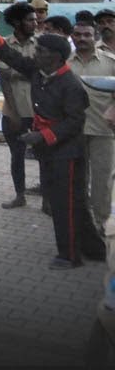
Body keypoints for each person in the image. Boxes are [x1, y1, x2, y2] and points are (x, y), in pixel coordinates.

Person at [0, 31, 107, 269]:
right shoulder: (40, 72)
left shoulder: (70, 85)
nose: (35, 54)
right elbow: (16, 60)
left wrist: (42, 136)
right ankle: (93, 249)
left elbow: (74, 123)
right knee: (73, 203)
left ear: (55, 57)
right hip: (51, 151)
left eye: (40, 51)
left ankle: (69, 256)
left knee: (65, 205)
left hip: (68, 154)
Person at [69, 20, 115, 233]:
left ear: (95, 37)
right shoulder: (64, 63)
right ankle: (81, 224)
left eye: (87, 35)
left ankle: (102, 223)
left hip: (102, 131)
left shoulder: (110, 62)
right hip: (72, 132)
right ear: (72, 36)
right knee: (77, 180)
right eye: (78, 35)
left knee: (102, 181)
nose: (82, 39)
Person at [0, 2, 38, 210]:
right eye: (30, 20)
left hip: (40, 111)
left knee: (45, 156)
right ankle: (20, 195)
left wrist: (16, 72)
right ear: (16, 22)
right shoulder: (4, 45)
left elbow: (42, 73)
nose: (35, 23)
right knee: (17, 155)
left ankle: (47, 198)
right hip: (14, 111)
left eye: (35, 20)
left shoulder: (41, 44)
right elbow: (3, 77)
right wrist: (13, 112)